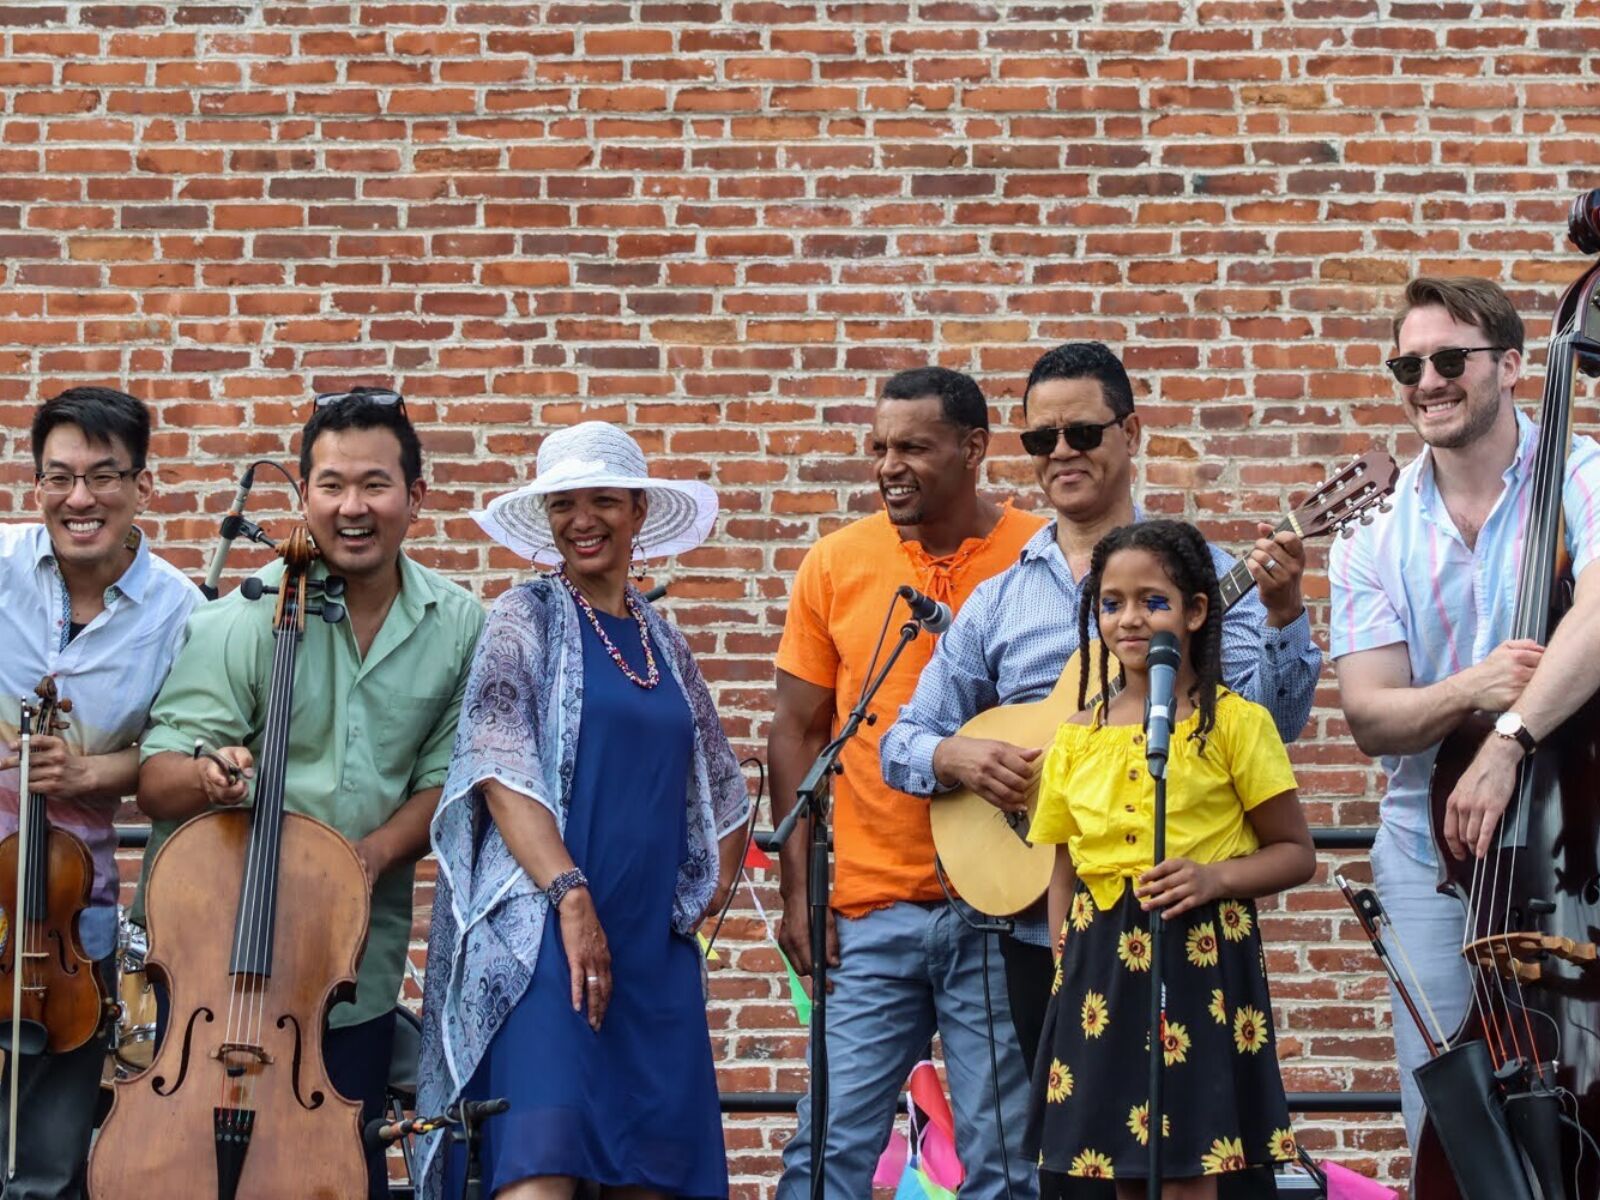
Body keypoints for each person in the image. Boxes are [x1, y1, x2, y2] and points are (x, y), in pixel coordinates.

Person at [880, 342, 1322, 1103]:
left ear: (1132, 432)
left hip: (1179, 917)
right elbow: (900, 741)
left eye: (1081, 433)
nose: (1060, 454)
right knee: (1069, 1148)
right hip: (1040, 923)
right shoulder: (998, 600)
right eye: (1040, 440)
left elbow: (1269, 729)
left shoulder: (1206, 574)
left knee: (1193, 1133)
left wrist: (1284, 617)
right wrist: (959, 757)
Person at [134, 387, 485, 1198]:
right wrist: (206, 775)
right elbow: (156, 781)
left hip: (347, 964)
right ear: (302, 497)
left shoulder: (460, 627)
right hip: (215, 965)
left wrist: (365, 858)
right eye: (329, 486)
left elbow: (449, 779)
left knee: (331, 1171)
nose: (351, 507)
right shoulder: (246, 617)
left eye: (374, 485)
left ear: (416, 498)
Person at [415, 421, 750, 1200]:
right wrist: (570, 895)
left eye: (603, 500)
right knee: (541, 1165)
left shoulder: (666, 642)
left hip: (651, 955)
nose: (582, 519)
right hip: (548, 944)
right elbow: (497, 773)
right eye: (564, 504)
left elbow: (721, 793)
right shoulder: (521, 619)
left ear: (637, 511)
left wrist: (689, 910)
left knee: (655, 1172)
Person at [1328, 275, 1600, 1146]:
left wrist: (1510, 739)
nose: (1427, 381)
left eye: (1451, 359)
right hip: (1431, 851)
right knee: (1452, 1120)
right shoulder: (1372, 532)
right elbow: (1371, 716)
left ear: (1515, 365)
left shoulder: (1585, 472)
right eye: (1407, 365)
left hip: (1578, 838)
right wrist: (1472, 691)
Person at [771, 367, 1046, 1200]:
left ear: (973, 449)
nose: (890, 465)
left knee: (1005, 1166)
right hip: (870, 909)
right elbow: (796, 731)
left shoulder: (1040, 553)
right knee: (825, 1154)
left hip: (1005, 908)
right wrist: (797, 895)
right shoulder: (836, 562)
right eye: (880, 447)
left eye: (914, 447)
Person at [1026, 520, 1314, 1195]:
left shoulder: (1236, 722)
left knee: (1191, 1161)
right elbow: (1065, 863)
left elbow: (1295, 853)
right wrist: (1063, 951)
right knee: (1121, 1160)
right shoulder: (1076, 738)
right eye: (1111, 601)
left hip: (1201, 954)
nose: (1130, 618)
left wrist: (1214, 877)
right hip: (1102, 964)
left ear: (1196, 612)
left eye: (1153, 601)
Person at [0, 387, 201, 1199]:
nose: (79, 499)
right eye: (59, 476)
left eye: (102, 476)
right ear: (37, 481)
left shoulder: (182, 612)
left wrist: (88, 772)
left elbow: (177, 748)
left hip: (67, 920)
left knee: (46, 1162)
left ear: (142, 486)